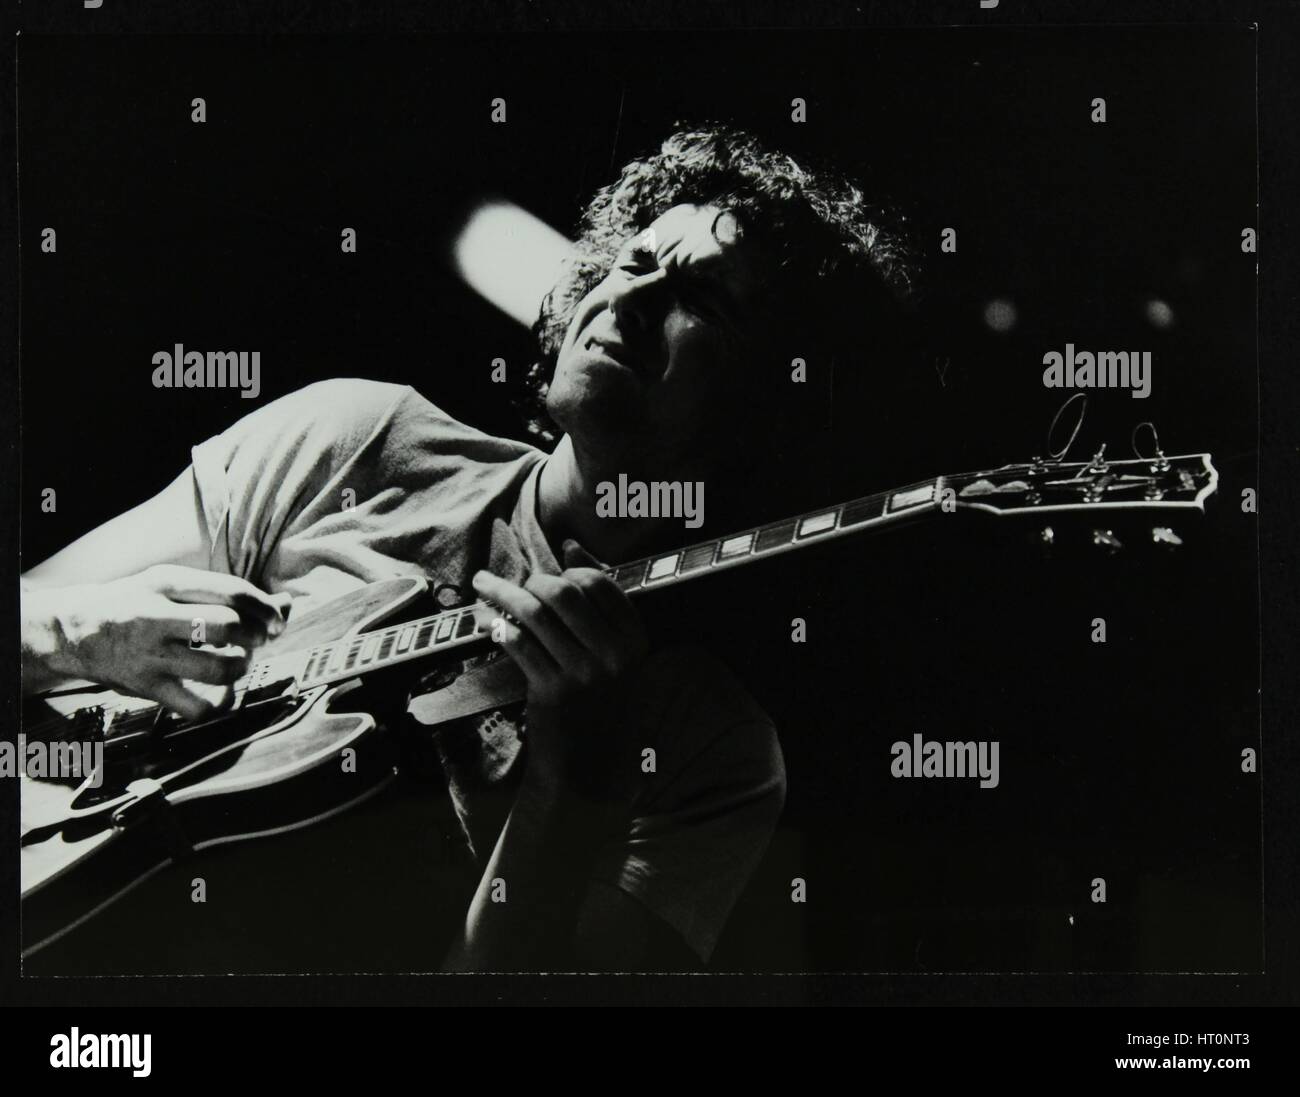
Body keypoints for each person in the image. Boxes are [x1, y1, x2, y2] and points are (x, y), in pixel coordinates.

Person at [20, 124, 915, 971]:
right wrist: (79, 635)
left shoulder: (712, 753)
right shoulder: (360, 438)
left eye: (702, 301)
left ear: (769, 402)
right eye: (638, 259)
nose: (633, 298)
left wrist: (567, 789)